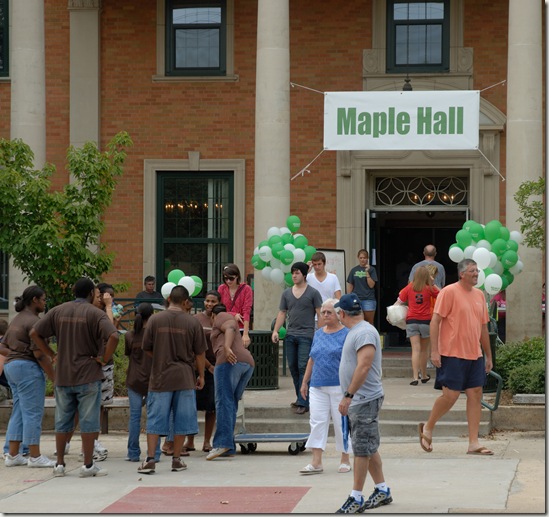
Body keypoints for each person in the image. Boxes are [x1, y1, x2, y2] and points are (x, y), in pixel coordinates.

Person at [30, 277, 119, 478]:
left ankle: (59, 464)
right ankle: (88, 465)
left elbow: (35, 332)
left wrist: (52, 354)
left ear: (73, 291)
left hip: (63, 374)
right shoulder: (95, 314)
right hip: (88, 374)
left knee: (62, 420)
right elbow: (114, 336)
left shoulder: (58, 311)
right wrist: (104, 359)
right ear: (89, 294)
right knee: (88, 421)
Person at [418, 258, 493, 456]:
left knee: (475, 394)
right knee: (450, 396)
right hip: (451, 353)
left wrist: (488, 355)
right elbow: (435, 321)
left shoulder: (479, 295)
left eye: (477, 270)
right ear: (462, 274)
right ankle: (428, 427)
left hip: (474, 354)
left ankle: (473, 442)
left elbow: (484, 327)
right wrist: (434, 351)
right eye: (472, 271)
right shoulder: (448, 292)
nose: (476, 274)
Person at [137, 285, 207, 475]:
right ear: (186, 302)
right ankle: (176, 459)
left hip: (160, 377)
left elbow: (146, 348)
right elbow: (200, 353)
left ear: (168, 299)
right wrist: (200, 375)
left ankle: (150, 459)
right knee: (182, 420)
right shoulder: (192, 323)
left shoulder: (154, 320)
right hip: (184, 377)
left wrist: (161, 357)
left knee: (155, 420)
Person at [334, 294, 392, 513]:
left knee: (360, 449)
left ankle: (356, 497)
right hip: (359, 399)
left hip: (364, 399)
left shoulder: (365, 332)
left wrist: (348, 395)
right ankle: (382, 489)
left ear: (342, 313)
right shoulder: (356, 331)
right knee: (367, 445)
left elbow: (364, 366)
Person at [2, 286, 56, 468]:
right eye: (43, 299)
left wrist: (16, 355)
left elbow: (3, 346)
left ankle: (13, 454)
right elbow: (39, 354)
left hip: (11, 367)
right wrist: (55, 377)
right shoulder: (34, 321)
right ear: (34, 300)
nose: (44, 302)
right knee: (33, 412)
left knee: (18, 411)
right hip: (27, 368)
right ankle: (35, 456)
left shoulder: (17, 319)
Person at [299, 298, 351, 475]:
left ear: (338, 314)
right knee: (317, 421)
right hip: (317, 384)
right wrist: (305, 381)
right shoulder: (319, 333)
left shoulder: (347, 334)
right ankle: (316, 461)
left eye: (329, 312)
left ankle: (345, 458)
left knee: (340, 422)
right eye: (323, 312)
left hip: (339, 385)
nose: (325, 315)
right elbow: (312, 358)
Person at [272, 262, 322, 415]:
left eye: (297, 273)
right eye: (293, 273)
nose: (294, 275)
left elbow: (320, 314)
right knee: (293, 368)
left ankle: (303, 401)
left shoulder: (313, 293)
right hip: (290, 335)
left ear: (305, 275)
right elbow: (282, 313)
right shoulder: (286, 293)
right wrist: (275, 331)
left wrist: (320, 334)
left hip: (307, 335)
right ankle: (301, 397)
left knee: (303, 367)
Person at [206, 304, 255, 460]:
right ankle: (229, 446)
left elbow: (231, 326)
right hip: (247, 363)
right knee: (231, 403)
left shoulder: (221, 316)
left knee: (223, 402)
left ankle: (222, 443)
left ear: (213, 315)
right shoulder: (224, 317)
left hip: (229, 361)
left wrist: (226, 347)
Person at [185, 289, 221, 453]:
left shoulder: (222, 319)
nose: (209, 304)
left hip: (216, 368)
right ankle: (190, 440)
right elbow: (194, 348)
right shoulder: (196, 319)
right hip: (198, 366)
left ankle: (207, 441)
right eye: (207, 301)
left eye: (213, 301)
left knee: (211, 407)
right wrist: (206, 366)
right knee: (192, 406)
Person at [124, 302, 161, 462]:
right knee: (154, 417)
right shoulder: (156, 335)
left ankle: (133, 453)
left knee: (134, 417)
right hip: (153, 380)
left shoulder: (129, 335)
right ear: (152, 315)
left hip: (134, 379)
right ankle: (156, 452)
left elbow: (128, 355)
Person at [392, 266, 439, 385]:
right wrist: (432, 283)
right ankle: (423, 375)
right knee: (424, 351)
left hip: (411, 321)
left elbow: (399, 301)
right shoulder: (429, 288)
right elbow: (443, 294)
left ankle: (414, 377)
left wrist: (391, 313)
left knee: (415, 350)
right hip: (425, 321)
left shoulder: (409, 287)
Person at [217, 264, 253, 347]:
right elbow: (219, 309)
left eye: (231, 278)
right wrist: (233, 315)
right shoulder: (221, 288)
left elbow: (246, 311)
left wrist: (245, 334)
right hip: (224, 327)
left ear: (237, 276)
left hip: (240, 327)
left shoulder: (246, 289)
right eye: (226, 278)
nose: (228, 281)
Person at [306, 251, 342, 328]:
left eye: (319, 264)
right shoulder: (308, 277)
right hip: (311, 318)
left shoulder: (333, 278)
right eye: (315, 265)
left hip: (329, 317)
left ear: (324, 264)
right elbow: (298, 286)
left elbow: (338, 298)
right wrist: (306, 271)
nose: (317, 267)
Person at [346, 249, 378, 325]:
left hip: (368, 299)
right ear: (358, 258)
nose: (363, 260)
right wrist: (348, 298)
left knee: (369, 323)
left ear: (367, 258)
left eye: (364, 258)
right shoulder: (354, 270)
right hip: (356, 299)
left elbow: (371, 285)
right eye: (361, 258)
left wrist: (367, 272)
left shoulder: (372, 270)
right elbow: (350, 285)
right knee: (356, 322)